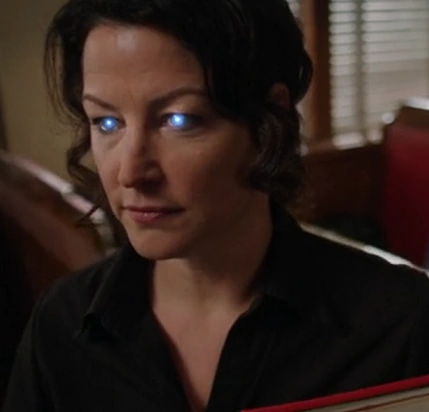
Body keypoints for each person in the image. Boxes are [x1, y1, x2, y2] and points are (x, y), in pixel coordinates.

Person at [3, 0, 429, 411]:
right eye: (106, 122)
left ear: (269, 118)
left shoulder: (400, 325)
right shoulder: (62, 324)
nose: (130, 172)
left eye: (179, 120)